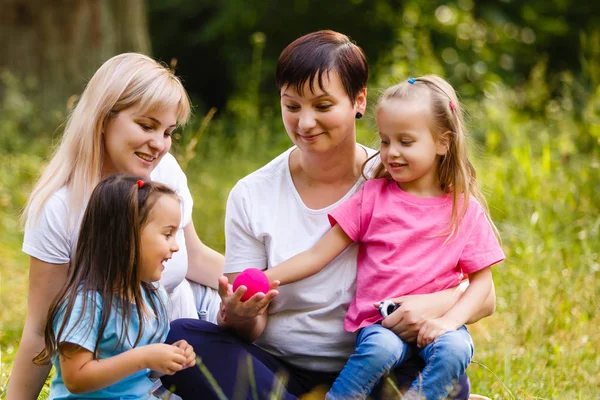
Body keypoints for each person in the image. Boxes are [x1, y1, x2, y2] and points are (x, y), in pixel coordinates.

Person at [161, 31, 495, 399]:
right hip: (278, 367)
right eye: (292, 106)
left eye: (322, 106)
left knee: (451, 379)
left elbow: (483, 293)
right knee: (181, 340)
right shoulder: (252, 194)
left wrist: (433, 307)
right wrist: (238, 314)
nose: (305, 123)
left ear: (359, 100)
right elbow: (252, 323)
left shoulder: (398, 179)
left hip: (377, 360)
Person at [264, 74, 505, 399]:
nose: (391, 153)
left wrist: (450, 322)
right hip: (381, 323)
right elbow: (317, 255)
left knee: (455, 351)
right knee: (380, 350)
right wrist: (263, 279)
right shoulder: (373, 196)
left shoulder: (464, 209)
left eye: (406, 142)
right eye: (385, 141)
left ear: (442, 143)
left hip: (441, 321)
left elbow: (482, 284)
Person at [7, 53, 223, 399]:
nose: (160, 145)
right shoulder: (60, 207)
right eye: (147, 126)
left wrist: (268, 288)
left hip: (177, 337)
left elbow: (194, 258)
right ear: (104, 118)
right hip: (121, 371)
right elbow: (39, 330)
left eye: (168, 132)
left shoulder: (163, 172)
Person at [32, 175, 197, 398]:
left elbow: (140, 372)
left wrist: (168, 357)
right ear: (127, 236)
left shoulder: (152, 296)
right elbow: (76, 379)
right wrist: (144, 357)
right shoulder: (86, 304)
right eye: (167, 234)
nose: (176, 246)